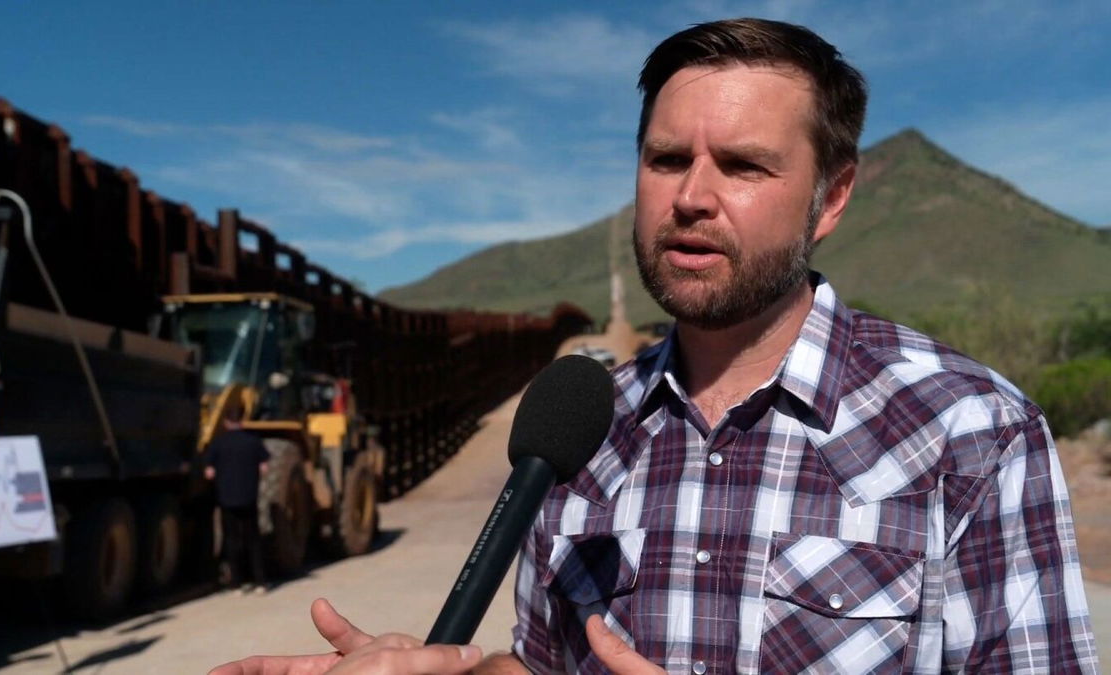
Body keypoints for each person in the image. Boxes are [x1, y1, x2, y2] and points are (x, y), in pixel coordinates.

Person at [210, 17, 1099, 674]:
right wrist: (469, 672)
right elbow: (548, 664)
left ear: (831, 198)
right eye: (667, 159)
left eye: (744, 166)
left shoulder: (969, 429)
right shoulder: (576, 431)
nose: (691, 196)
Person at [205, 405, 271, 594]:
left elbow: (209, 473)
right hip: (249, 498)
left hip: (227, 500)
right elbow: (264, 467)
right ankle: (260, 582)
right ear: (242, 421)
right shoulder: (253, 442)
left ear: (225, 422)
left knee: (231, 540)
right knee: (253, 540)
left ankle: (236, 584)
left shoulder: (218, 444)